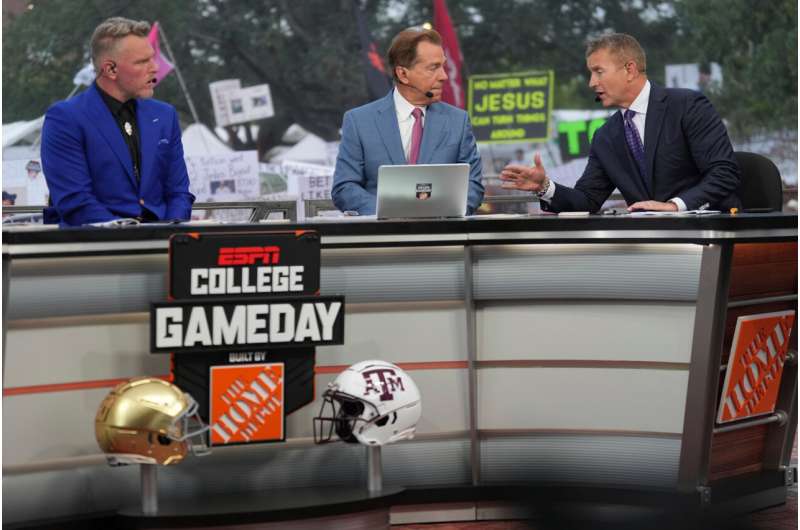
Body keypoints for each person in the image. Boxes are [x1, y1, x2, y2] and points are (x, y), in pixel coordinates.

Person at [500, 33, 741, 213]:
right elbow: (587, 200)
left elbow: (724, 173)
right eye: (590, 73)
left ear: (630, 70)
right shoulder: (606, 135)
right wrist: (545, 187)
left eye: (598, 72)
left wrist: (674, 206)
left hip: (711, 235)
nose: (591, 83)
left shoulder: (688, 105)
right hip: (651, 246)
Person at [41, 17, 194, 226]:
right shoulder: (65, 118)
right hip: (96, 248)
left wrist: (169, 231)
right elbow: (75, 201)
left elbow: (178, 193)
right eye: (142, 62)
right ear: (111, 69)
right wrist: (131, 235)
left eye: (153, 58)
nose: (155, 68)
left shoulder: (165, 115)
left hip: (162, 243)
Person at [331, 27, 484, 215]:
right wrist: (390, 213)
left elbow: (473, 186)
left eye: (443, 66)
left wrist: (438, 215)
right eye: (433, 67)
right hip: (381, 239)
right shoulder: (358, 121)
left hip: (442, 237)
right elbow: (344, 187)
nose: (444, 76)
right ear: (403, 74)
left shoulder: (458, 121)